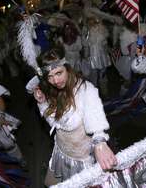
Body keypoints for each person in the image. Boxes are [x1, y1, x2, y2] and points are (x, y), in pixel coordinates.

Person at [29, 47, 116, 186]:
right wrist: (42, 103)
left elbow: (95, 119)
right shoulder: (52, 90)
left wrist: (100, 143)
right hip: (61, 152)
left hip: (82, 160)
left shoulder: (85, 90)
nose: (55, 81)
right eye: (50, 77)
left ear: (67, 68)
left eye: (59, 73)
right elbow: (54, 124)